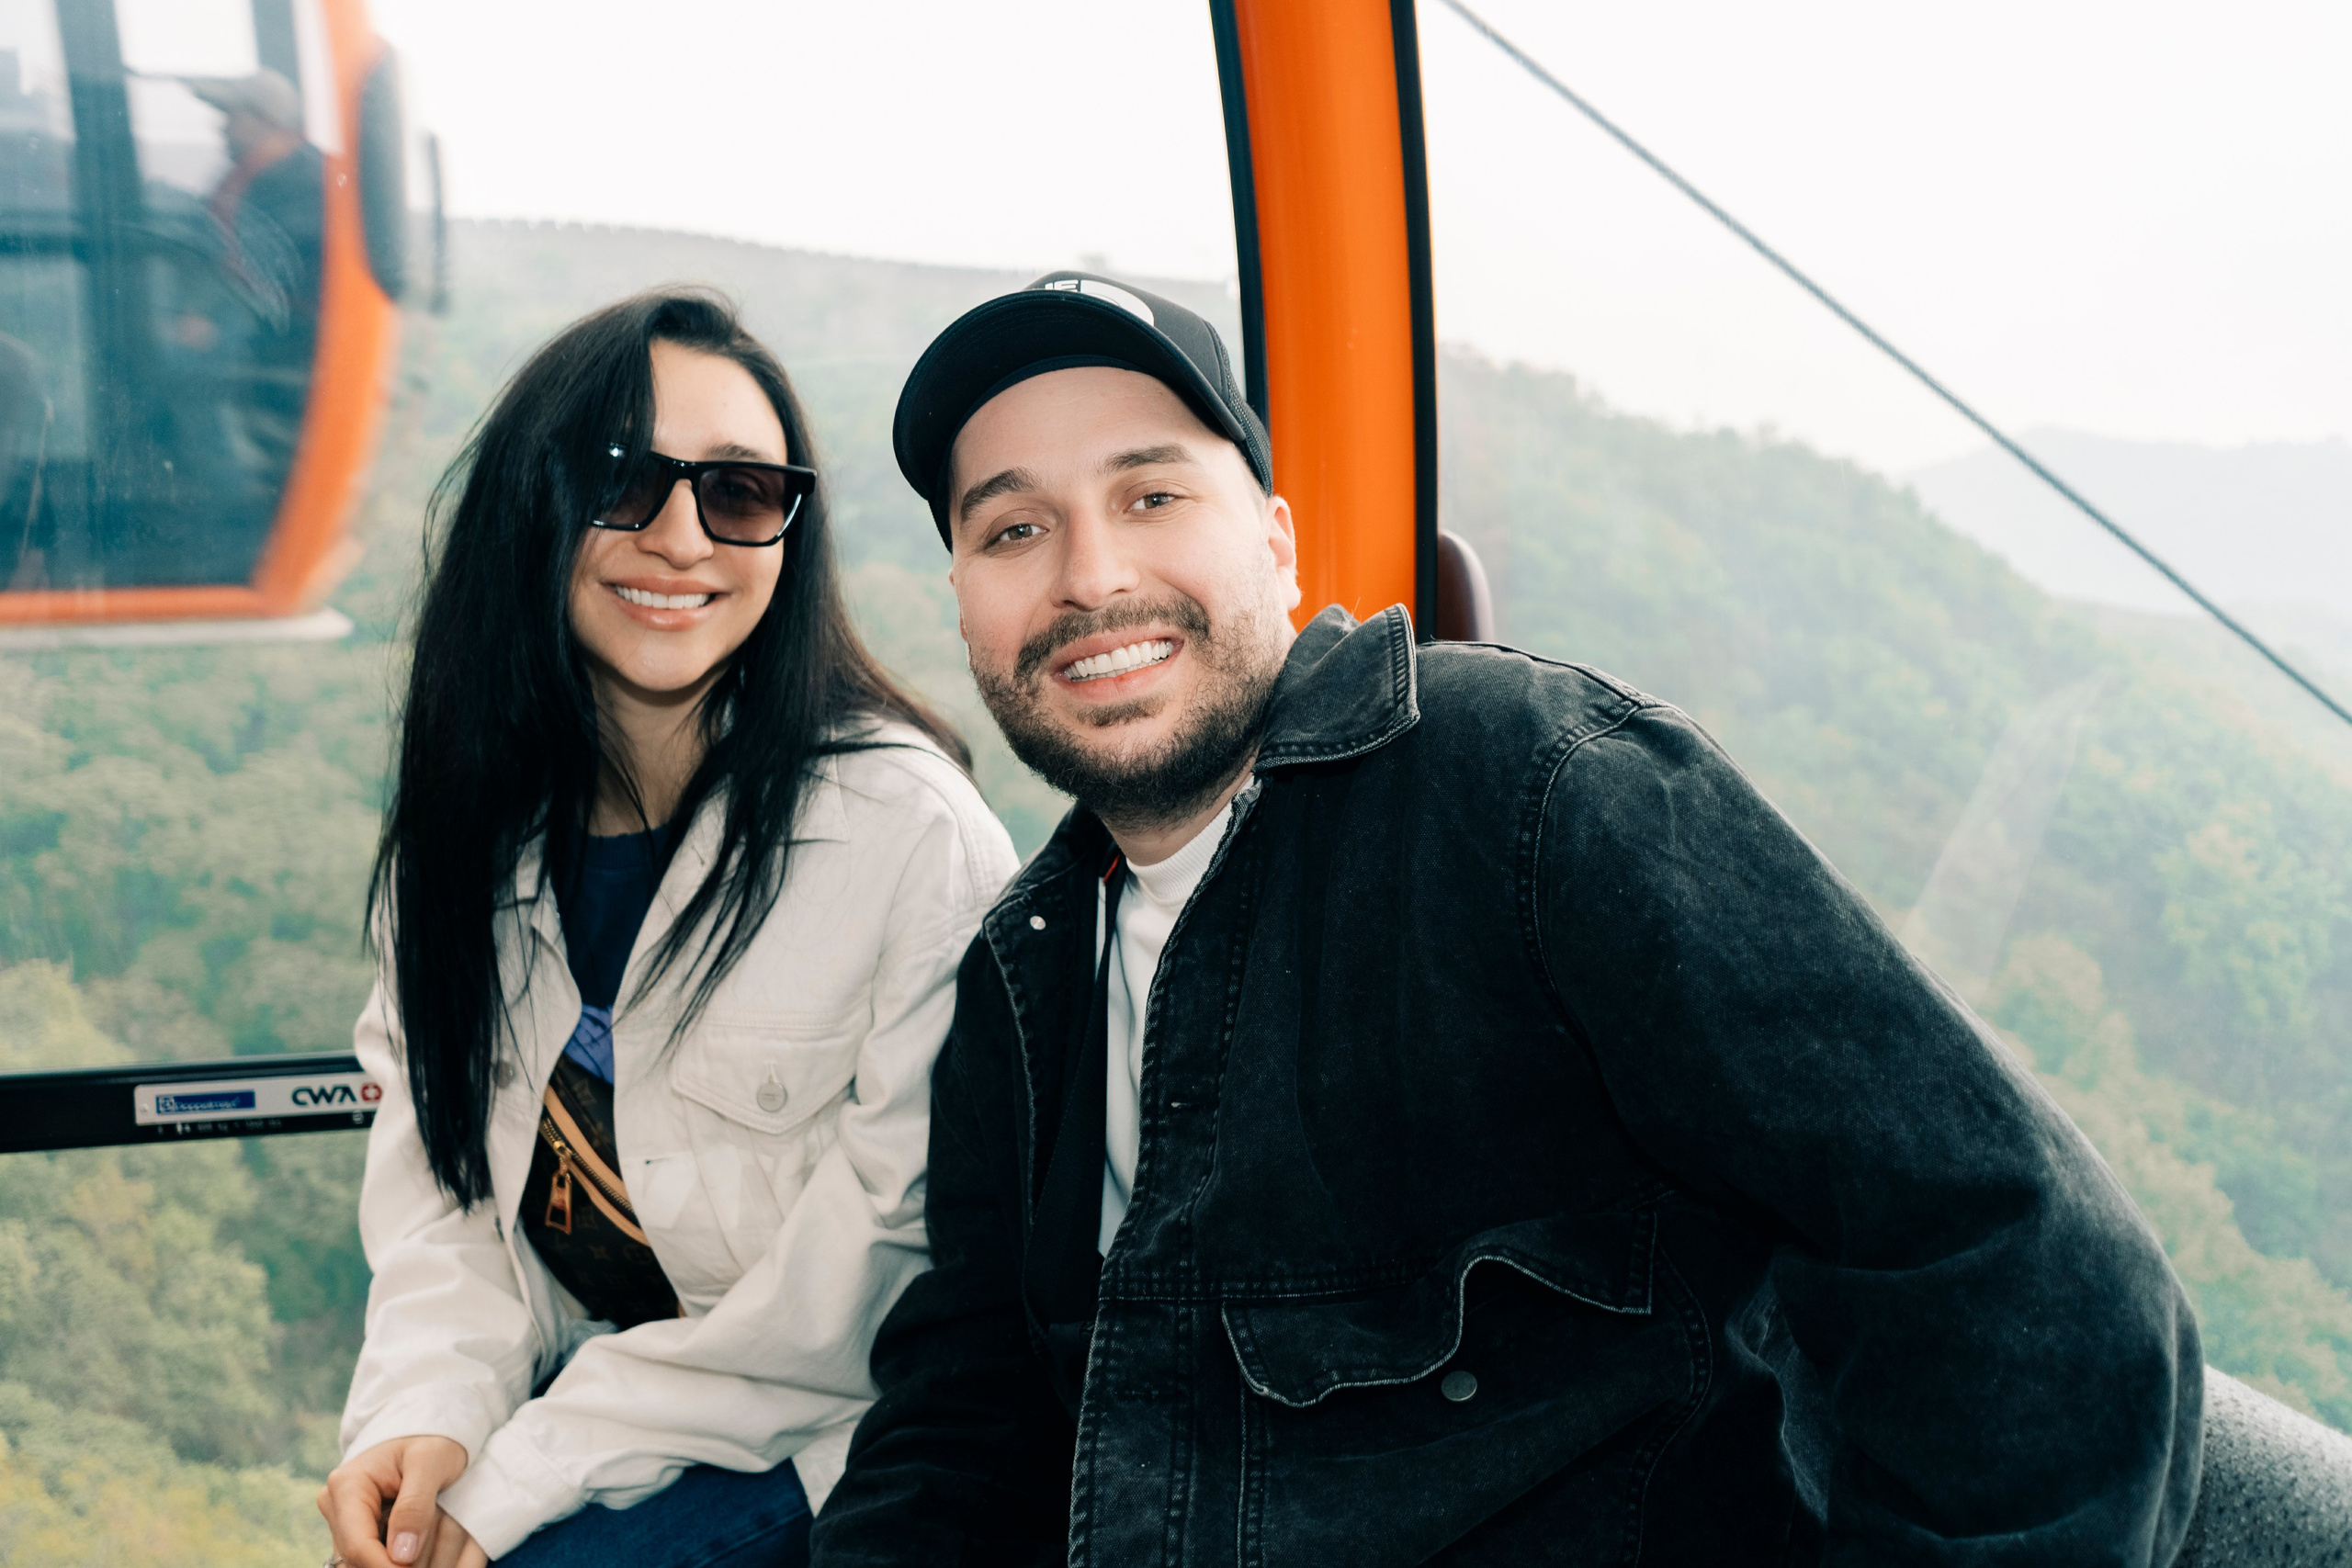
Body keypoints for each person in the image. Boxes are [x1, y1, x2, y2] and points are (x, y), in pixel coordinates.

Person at [808, 272, 2204, 1565]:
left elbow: (2020, 1268)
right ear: (966, 606)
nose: (1091, 576)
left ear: (1279, 543)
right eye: (1013, 529)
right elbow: (966, 1406)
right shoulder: (1024, 969)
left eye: (1153, 496)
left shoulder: (1531, 790)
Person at [322, 291, 1017, 1568]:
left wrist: (524, 1467)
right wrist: (423, 1419)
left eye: (741, 493)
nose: (684, 537)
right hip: (607, 1412)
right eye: (624, 481)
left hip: (849, 1438)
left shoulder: (904, 835)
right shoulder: (460, 853)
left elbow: (866, 1287)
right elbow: (452, 1210)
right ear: (533, 504)